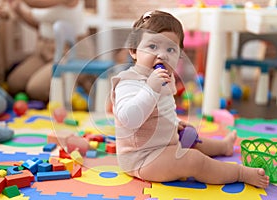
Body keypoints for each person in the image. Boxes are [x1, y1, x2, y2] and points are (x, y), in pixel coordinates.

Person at [110, 10, 269, 188]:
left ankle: (222, 147)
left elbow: (161, 109)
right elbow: (129, 119)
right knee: (193, 159)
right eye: (152, 47)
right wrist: (150, 89)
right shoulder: (128, 82)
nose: (162, 55)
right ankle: (240, 173)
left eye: (170, 49)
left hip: (164, 144)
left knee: (191, 138)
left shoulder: (163, 77)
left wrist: (174, 122)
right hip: (142, 159)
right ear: (133, 51)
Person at [6, 0, 89, 102]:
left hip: (70, 52)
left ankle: (79, 84)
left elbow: (37, 2)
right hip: (45, 50)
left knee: (36, 89)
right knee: (14, 83)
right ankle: (66, 83)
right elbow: (38, 22)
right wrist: (17, 8)